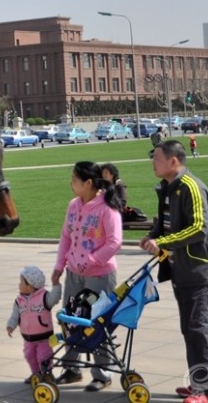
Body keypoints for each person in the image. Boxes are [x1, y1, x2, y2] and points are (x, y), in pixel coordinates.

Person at [140, 141, 208, 403]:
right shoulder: (168, 188)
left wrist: (162, 243)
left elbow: (199, 227)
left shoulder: (191, 186)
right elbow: (166, 224)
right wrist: (152, 236)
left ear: (173, 161)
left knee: (200, 330)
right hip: (182, 273)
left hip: (201, 273)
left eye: (156, 158)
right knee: (190, 330)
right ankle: (200, 383)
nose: (153, 163)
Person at [51, 161, 125, 391]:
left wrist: (91, 261)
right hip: (73, 274)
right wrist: (59, 265)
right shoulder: (73, 205)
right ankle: (72, 369)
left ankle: (102, 374)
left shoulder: (107, 208)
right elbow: (66, 236)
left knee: (97, 323)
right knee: (70, 320)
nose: (70, 183)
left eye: (74, 179)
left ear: (88, 183)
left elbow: (115, 242)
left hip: (99, 276)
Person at [6, 265, 62, 382]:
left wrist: (56, 285)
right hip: (28, 338)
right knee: (29, 356)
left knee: (44, 357)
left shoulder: (43, 297)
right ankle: (36, 374)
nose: (19, 284)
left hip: (44, 338)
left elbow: (55, 298)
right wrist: (11, 325)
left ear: (30, 287)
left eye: (21, 282)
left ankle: (47, 374)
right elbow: (15, 315)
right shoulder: (19, 301)